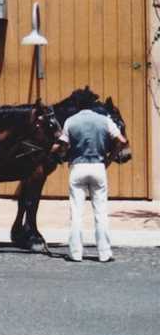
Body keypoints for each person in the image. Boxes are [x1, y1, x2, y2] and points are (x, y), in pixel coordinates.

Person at [53, 96, 128, 263]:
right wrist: (110, 158)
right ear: (93, 106)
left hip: (77, 168)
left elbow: (63, 146)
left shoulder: (70, 121)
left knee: (76, 213)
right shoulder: (104, 120)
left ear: (78, 106)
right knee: (101, 213)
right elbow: (121, 141)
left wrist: (59, 151)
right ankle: (105, 253)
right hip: (98, 167)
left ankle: (75, 253)